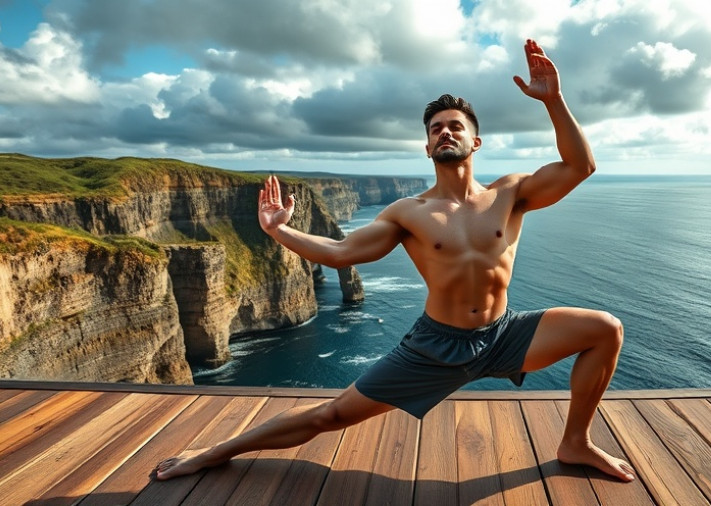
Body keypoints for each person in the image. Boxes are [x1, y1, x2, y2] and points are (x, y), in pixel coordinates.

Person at [154, 39, 636, 483]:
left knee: (604, 330)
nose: (445, 132)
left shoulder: (510, 193)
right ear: (427, 148)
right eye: (436, 129)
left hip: (504, 334)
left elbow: (580, 166)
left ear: (475, 142)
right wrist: (279, 230)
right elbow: (341, 253)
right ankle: (216, 452)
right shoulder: (410, 212)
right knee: (330, 415)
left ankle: (576, 442)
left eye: (455, 126)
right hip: (437, 346)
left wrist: (553, 100)